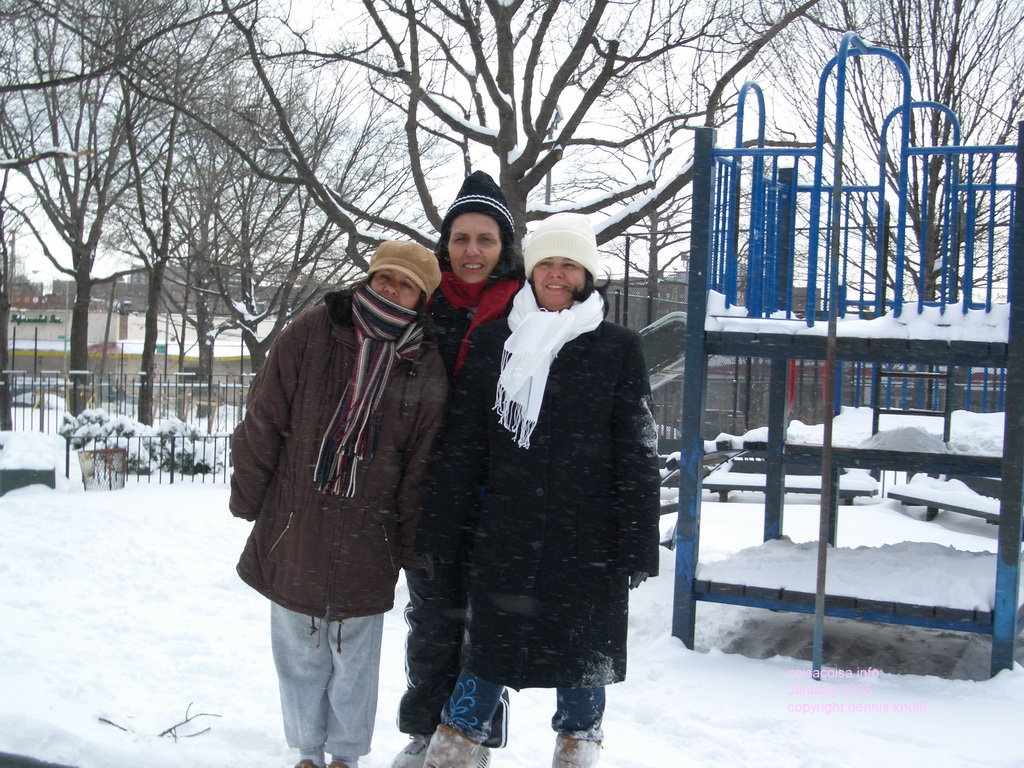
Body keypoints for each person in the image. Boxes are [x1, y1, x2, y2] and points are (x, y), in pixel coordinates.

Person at [415, 212, 662, 768]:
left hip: (587, 545)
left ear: (587, 275)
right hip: (507, 537)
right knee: (485, 664)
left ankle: (577, 755)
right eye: (546, 262)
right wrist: (441, 528)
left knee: (582, 670)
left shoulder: (618, 347)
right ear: (529, 271)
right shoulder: (498, 341)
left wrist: (636, 544)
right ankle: (451, 757)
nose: (556, 274)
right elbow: (464, 446)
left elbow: (638, 454)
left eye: (568, 264)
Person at [229, 241, 448, 768]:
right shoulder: (311, 332)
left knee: (354, 659)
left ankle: (346, 757)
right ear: (368, 279)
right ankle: (308, 752)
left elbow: (421, 466)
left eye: (406, 284)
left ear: (422, 299)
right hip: (296, 520)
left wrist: (411, 542)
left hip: (370, 533)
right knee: (299, 651)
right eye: (384, 278)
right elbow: (264, 416)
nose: (391, 289)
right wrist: (250, 497)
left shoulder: (425, 364)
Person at [393, 171, 524, 768]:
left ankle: (470, 740)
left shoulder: (528, 312)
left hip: (498, 496)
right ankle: (424, 732)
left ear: (504, 248)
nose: (472, 251)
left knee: (486, 625)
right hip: (428, 490)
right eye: (461, 238)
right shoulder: (423, 308)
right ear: (445, 244)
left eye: (486, 239)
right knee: (430, 623)